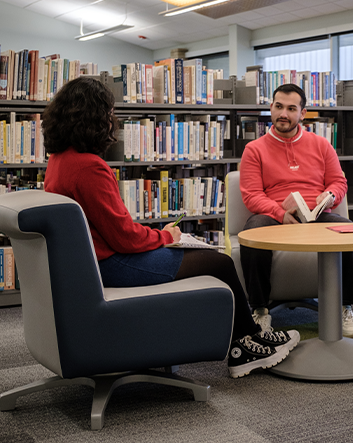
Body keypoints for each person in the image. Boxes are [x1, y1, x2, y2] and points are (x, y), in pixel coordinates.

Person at [41, 77, 299, 378]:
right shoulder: (89, 167)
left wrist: (156, 237)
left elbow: (109, 227)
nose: (113, 121)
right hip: (112, 264)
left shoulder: (59, 161)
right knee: (219, 263)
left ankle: (250, 337)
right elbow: (124, 237)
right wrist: (166, 236)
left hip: (91, 263)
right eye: (109, 113)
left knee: (210, 259)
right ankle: (245, 345)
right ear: (95, 116)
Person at [239, 83, 353, 339]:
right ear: (271, 108)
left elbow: (339, 182)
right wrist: (279, 213)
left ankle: (344, 306)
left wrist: (330, 197)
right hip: (273, 214)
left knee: (350, 230)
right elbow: (251, 195)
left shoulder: (321, 145)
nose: (283, 113)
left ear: (302, 113)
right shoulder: (254, 149)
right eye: (279, 106)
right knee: (253, 233)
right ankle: (260, 309)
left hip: (316, 214)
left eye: (291, 108)